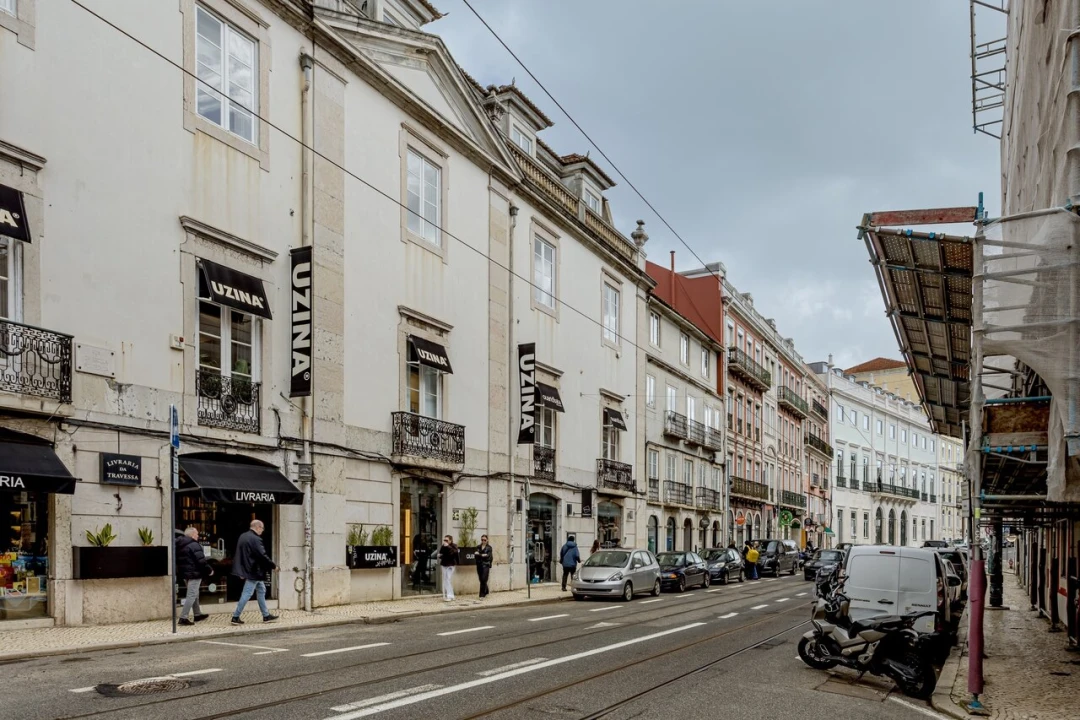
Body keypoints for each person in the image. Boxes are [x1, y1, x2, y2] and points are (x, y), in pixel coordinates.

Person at [230, 519, 278, 624]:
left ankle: (266, 615)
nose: (263, 531)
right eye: (262, 528)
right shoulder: (256, 539)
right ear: (258, 527)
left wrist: (241, 571)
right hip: (254, 571)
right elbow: (262, 555)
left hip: (249, 570)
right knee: (247, 593)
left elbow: (239, 555)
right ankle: (235, 616)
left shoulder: (243, 536)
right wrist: (273, 566)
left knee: (262, 590)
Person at [176, 527, 212, 626]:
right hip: (194, 573)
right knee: (192, 595)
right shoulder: (194, 545)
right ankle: (183, 618)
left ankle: (197, 614)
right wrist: (209, 570)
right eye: (196, 534)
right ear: (192, 535)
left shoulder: (181, 544)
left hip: (185, 574)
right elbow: (201, 560)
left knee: (194, 594)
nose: (198, 536)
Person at [437, 535, 458, 601]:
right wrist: (440, 555)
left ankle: (449, 596)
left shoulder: (454, 545)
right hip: (444, 564)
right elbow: (441, 553)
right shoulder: (443, 546)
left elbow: (454, 553)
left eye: (447, 540)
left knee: (448, 579)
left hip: (451, 565)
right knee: (445, 580)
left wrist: (448, 546)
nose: (445, 541)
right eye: (444, 540)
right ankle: (451, 595)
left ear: (450, 540)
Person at [475, 534, 493, 599]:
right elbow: (476, 556)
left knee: (483, 579)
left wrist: (480, 555)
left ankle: (482, 595)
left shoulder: (489, 548)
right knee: (481, 579)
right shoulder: (478, 547)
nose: (483, 541)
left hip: (486, 565)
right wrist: (482, 555)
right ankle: (486, 590)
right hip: (479, 565)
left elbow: (488, 556)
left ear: (487, 540)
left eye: (484, 540)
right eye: (482, 540)